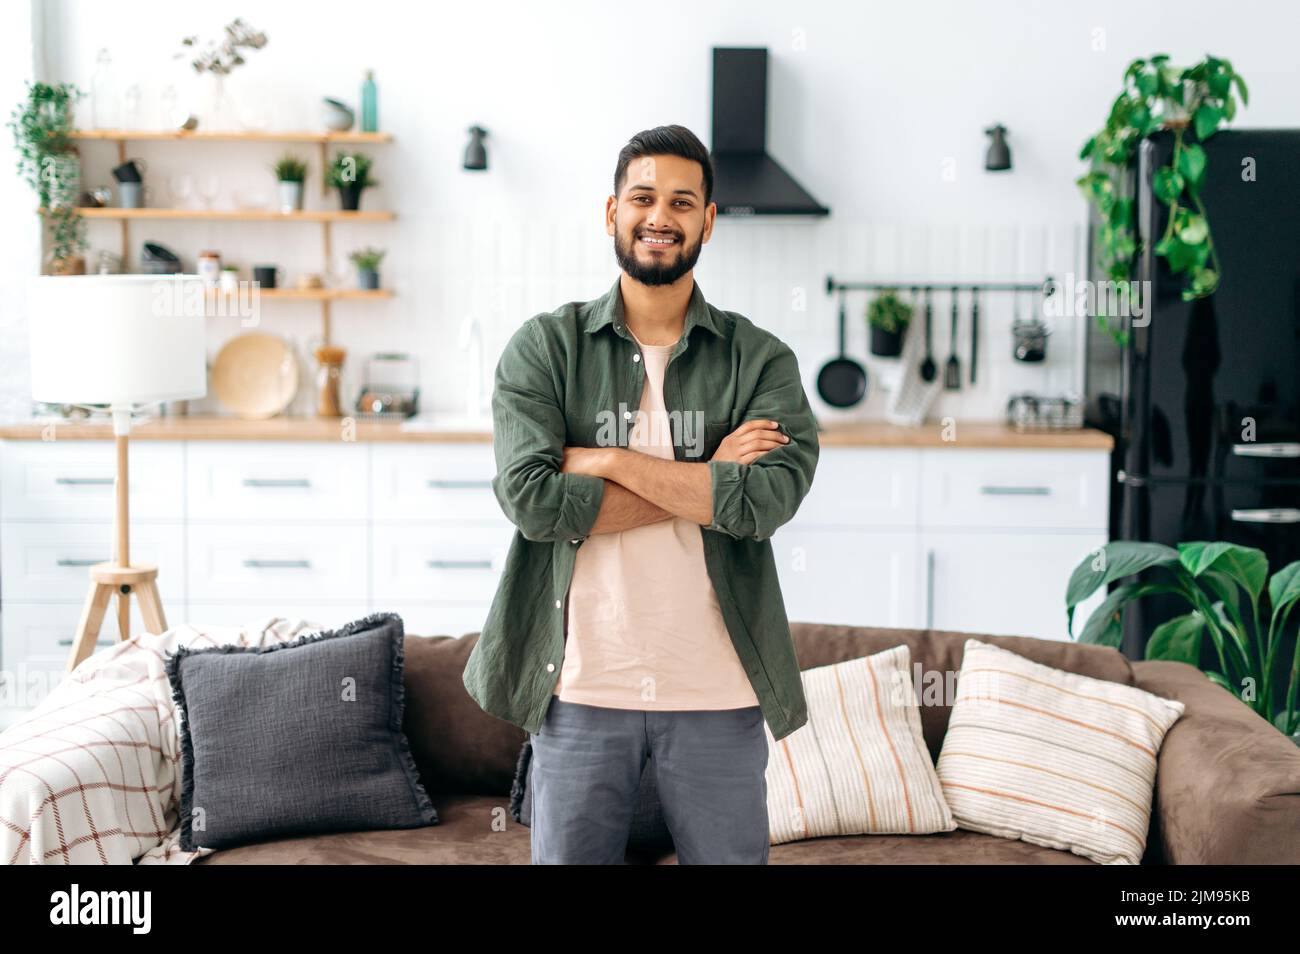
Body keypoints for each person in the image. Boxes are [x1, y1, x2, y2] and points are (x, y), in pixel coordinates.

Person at [461, 124, 820, 864]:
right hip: (581, 686)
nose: (661, 216)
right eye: (643, 197)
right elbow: (533, 502)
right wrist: (712, 474)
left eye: (682, 202)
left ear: (708, 221)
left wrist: (604, 461)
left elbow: (765, 503)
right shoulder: (546, 348)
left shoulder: (760, 359)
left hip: (718, 690)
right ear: (612, 212)